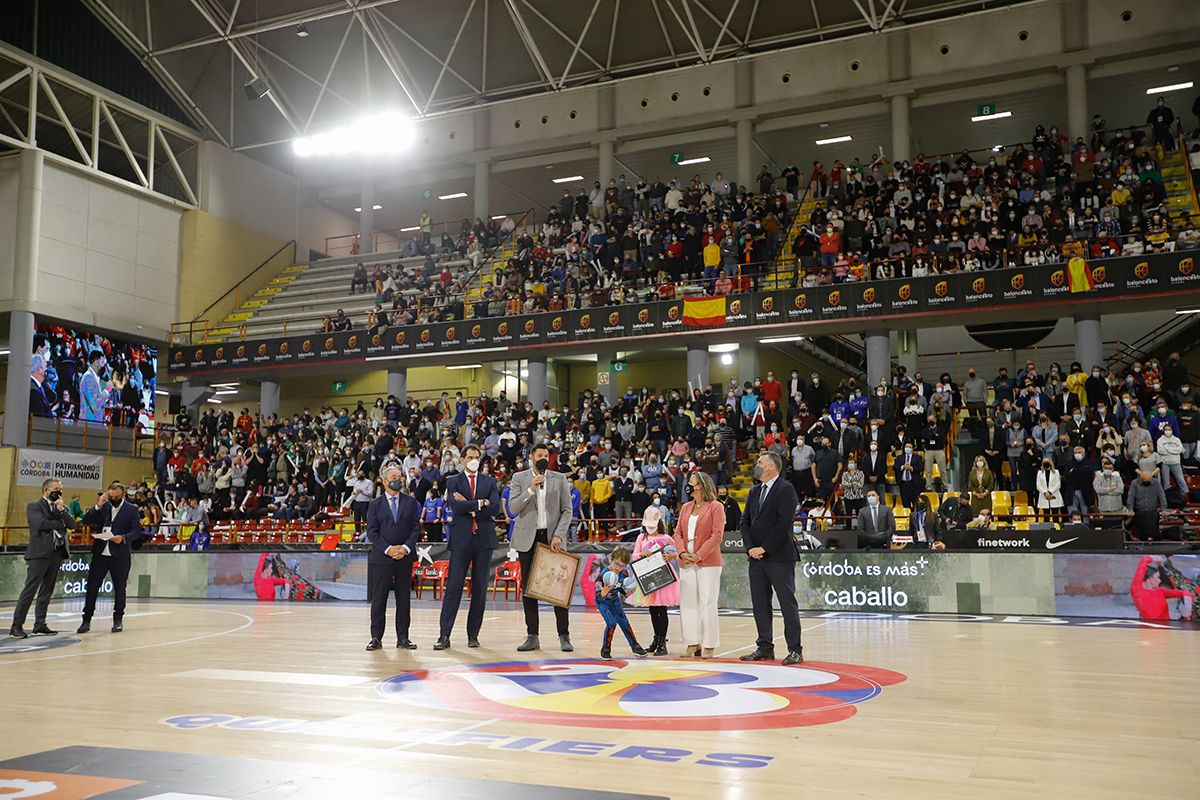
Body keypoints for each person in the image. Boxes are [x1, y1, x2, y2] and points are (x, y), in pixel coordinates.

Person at [508, 444, 574, 652]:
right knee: (529, 589)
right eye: (540, 455)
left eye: (546, 455)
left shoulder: (559, 478)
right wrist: (531, 489)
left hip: (551, 538)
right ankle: (532, 635)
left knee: (558, 588)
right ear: (531, 457)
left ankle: (564, 635)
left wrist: (558, 535)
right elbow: (512, 508)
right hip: (528, 538)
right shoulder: (520, 479)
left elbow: (567, 510)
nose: (544, 458)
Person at [739, 452, 803, 666]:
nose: (756, 466)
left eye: (760, 463)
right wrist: (751, 548)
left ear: (772, 467)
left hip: (779, 557)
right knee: (760, 604)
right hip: (755, 558)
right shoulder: (754, 491)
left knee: (787, 604)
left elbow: (783, 523)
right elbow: (744, 522)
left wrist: (764, 548)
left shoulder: (786, 489)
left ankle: (795, 649)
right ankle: (764, 647)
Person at [436, 445, 499, 650]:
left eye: (477, 457)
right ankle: (444, 635)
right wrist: (481, 504)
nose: (473, 460)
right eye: (470, 457)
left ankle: (473, 635)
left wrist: (470, 505)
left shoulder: (490, 481)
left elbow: (496, 508)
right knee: (453, 588)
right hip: (462, 540)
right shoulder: (453, 481)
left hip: (484, 540)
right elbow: (455, 507)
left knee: (480, 589)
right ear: (462, 459)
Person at [9, 479, 76, 638]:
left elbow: (72, 524)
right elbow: (41, 524)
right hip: (39, 554)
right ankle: (16, 626)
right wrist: (59, 523)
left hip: (57, 552)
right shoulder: (34, 506)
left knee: (47, 591)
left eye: (60, 489)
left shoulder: (61, 506)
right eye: (55, 489)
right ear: (45, 490)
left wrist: (61, 512)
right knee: (30, 590)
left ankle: (40, 624)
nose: (58, 492)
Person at [365, 464, 421, 651]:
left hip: (405, 557)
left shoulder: (411, 502)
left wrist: (404, 548)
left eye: (400, 475)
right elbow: (372, 532)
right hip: (382, 557)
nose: (399, 479)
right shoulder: (374, 504)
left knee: (403, 598)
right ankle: (376, 637)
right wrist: (388, 549)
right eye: (394, 476)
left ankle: (403, 638)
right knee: (379, 599)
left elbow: (416, 528)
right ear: (385, 481)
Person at [672, 471, 725, 658]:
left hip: (708, 562)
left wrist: (699, 555)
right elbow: (677, 534)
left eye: (691, 481)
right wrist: (682, 553)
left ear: (700, 485)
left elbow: (717, 535)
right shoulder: (686, 507)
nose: (688, 484)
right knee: (688, 604)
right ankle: (692, 643)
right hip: (686, 562)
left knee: (707, 602)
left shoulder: (716, 507)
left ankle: (708, 644)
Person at [77, 481, 140, 634]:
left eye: (116, 497)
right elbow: (86, 521)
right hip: (100, 553)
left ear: (122, 495)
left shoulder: (131, 509)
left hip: (120, 554)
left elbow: (136, 531)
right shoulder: (104, 506)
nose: (113, 499)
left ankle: (118, 619)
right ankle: (86, 620)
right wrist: (98, 505)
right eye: (111, 496)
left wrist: (123, 538)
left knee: (120, 588)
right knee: (92, 587)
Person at [632, 506, 679, 656]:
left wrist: (672, 556)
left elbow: (676, 553)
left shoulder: (666, 538)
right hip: (648, 576)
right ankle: (656, 639)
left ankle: (662, 642)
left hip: (663, 576)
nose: (650, 529)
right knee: (653, 609)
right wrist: (641, 554)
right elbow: (634, 555)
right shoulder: (641, 538)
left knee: (661, 610)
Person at [595, 546, 648, 660]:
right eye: (616, 564)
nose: (618, 568)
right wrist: (603, 592)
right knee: (611, 623)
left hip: (615, 601)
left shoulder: (623, 573)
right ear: (610, 559)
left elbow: (621, 591)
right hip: (603, 602)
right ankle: (606, 648)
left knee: (624, 622)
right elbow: (598, 597)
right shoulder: (603, 575)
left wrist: (627, 593)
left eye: (622, 565)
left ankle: (635, 646)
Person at [1129, 556, 1192, 621]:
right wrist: (1156, 559)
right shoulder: (1137, 590)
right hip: (1147, 629)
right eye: (1158, 577)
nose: (1160, 580)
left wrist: (1186, 610)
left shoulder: (1160, 591)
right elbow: (1143, 560)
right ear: (1150, 579)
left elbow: (1185, 593)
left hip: (1166, 628)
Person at [1125, 469, 1168, 541]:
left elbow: (1162, 496)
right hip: (1139, 512)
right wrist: (1130, 510)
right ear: (1141, 478)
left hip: (1152, 512)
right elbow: (1131, 496)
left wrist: (1164, 509)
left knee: (1154, 531)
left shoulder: (1156, 482)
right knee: (1142, 533)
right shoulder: (1135, 483)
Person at [79, 350, 110, 423]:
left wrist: (105, 386)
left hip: (96, 422)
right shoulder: (88, 377)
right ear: (96, 362)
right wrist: (107, 390)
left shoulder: (97, 378)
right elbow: (94, 405)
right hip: (89, 422)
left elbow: (101, 397)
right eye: (102, 362)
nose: (104, 366)